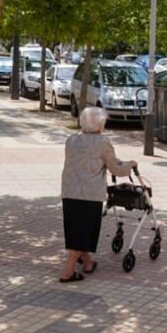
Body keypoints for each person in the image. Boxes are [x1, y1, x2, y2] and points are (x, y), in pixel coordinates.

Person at [58, 107, 136, 282]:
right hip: (90, 193)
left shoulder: (71, 140)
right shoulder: (103, 142)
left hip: (69, 191)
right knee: (83, 232)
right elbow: (115, 168)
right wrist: (130, 165)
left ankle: (87, 263)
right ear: (100, 125)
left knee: (76, 229)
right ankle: (68, 271)